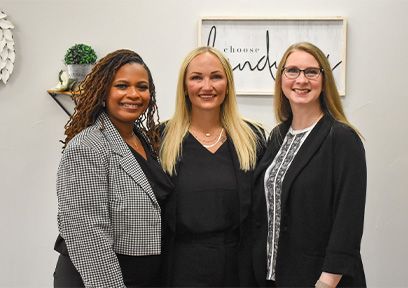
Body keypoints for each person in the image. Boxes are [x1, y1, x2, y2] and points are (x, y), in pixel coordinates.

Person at [250, 42, 367, 287]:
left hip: (320, 280)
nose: (301, 80)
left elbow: (349, 221)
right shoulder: (277, 136)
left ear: (324, 80)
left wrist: (326, 282)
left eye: (311, 72)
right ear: (281, 78)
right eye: (292, 70)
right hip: (274, 277)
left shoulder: (342, 139)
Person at [53, 49, 173, 287]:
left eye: (141, 86)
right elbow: (87, 234)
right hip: (99, 279)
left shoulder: (146, 141)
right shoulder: (87, 146)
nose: (133, 94)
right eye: (121, 86)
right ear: (103, 91)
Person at [159, 46, 266, 287]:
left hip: (239, 271)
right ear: (185, 87)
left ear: (228, 85)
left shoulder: (254, 138)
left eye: (216, 77)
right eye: (197, 78)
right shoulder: (161, 138)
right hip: (180, 269)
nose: (207, 86)